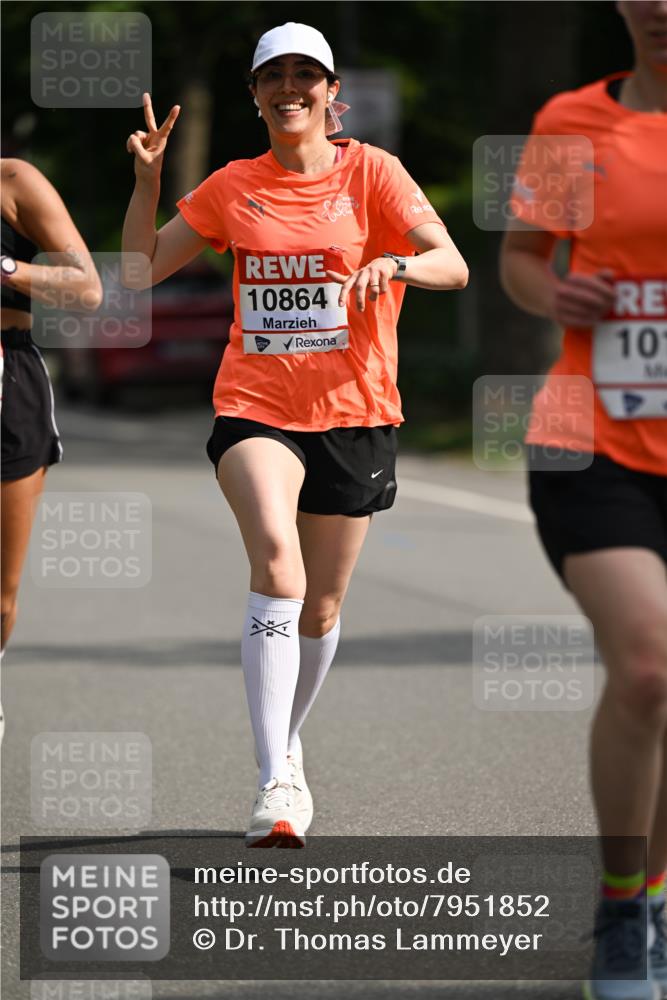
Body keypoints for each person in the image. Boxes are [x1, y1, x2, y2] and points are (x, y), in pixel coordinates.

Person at [121, 22, 468, 847]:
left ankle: (290, 744)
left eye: (305, 76)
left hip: (355, 412)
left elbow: (450, 262)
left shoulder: (372, 172)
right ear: (253, 94)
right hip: (256, 408)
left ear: (330, 91)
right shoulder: (233, 185)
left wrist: (397, 265)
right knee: (276, 561)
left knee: (320, 605)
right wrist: (147, 182)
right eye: (272, 76)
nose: (290, 89)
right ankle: (275, 776)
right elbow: (139, 272)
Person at [500, 2, 667, 997]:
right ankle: (618, 907)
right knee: (647, 667)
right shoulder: (569, 118)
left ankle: (653, 894)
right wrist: (550, 292)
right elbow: (521, 258)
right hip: (590, 439)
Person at [1, 156, 102, 741]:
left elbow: (86, 288)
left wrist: (7, 268)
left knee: (0, 597)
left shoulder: (14, 182)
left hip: (7, 379)